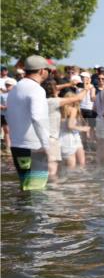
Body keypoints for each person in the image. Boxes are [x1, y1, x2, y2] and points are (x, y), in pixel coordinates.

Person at [6, 56, 55, 190]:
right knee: (36, 190)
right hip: (35, 147)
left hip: (17, 146)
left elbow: (9, 115)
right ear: (41, 71)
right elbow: (37, 118)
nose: (48, 73)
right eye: (48, 70)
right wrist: (46, 145)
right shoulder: (36, 90)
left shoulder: (14, 89)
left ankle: (22, 211)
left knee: (25, 188)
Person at [59, 95, 89, 170]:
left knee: (81, 163)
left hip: (75, 137)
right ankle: (73, 180)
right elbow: (70, 126)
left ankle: (77, 179)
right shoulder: (70, 110)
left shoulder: (72, 109)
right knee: (72, 166)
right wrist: (83, 128)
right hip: (68, 138)